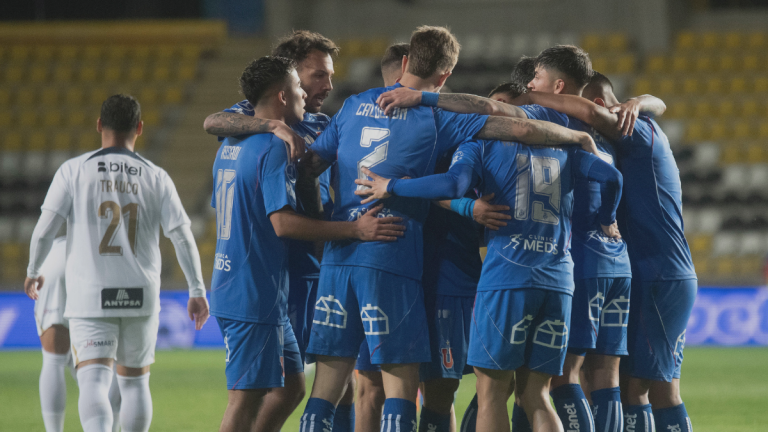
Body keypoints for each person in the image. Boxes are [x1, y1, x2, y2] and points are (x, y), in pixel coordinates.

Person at [295, 25, 598, 432]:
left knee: (327, 390)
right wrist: (576, 136)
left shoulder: (352, 105)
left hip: (340, 259)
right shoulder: (441, 116)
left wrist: (325, 228)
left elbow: (309, 168)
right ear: (446, 75)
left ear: (406, 61)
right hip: (392, 256)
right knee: (403, 390)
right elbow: (521, 129)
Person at [354, 118, 622, 432]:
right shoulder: (565, 150)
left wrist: (393, 186)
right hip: (558, 279)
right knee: (536, 394)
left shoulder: (481, 145)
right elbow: (613, 177)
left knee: (490, 394)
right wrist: (608, 218)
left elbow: (452, 184)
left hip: (506, 277)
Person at [210, 56, 406, 432]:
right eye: (299, 86)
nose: (305, 92)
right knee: (244, 399)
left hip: (250, 285)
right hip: (252, 291)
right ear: (282, 96)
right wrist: (355, 230)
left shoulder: (232, 142)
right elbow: (282, 223)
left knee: (291, 388)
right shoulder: (272, 145)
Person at [520, 72, 695, 432]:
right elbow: (657, 103)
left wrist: (527, 97)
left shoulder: (635, 128)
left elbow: (598, 112)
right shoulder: (635, 129)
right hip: (650, 270)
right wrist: (643, 100)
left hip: (658, 273)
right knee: (617, 380)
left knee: (648, 390)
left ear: (600, 105)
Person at [24, 94, 210, 432]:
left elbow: (44, 230)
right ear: (139, 128)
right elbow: (182, 236)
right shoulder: (156, 176)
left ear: (99, 126)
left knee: (93, 380)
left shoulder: (74, 171)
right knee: (135, 383)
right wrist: (196, 289)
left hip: (91, 294)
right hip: (141, 293)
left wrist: (33, 270)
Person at [204, 30, 358, 431]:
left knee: (298, 384)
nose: (326, 86)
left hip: (292, 274)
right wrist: (274, 127)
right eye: (318, 75)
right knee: (255, 393)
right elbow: (211, 120)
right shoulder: (255, 131)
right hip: (267, 277)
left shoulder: (312, 126)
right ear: (289, 83)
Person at [28, 237, 121, 432]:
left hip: (56, 260)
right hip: (99, 262)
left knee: (53, 359)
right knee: (106, 364)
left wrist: (32, 271)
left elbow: (43, 232)